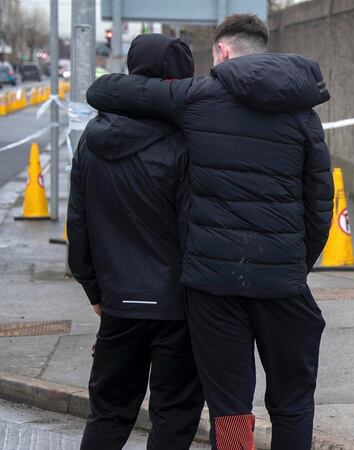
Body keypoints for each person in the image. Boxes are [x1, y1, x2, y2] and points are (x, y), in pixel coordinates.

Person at [87, 14, 333, 450]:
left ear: (220, 51)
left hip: (214, 289)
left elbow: (102, 90)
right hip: (282, 283)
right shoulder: (302, 114)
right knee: (293, 402)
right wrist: (297, 263)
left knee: (231, 406)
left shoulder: (198, 96)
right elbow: (319, 204)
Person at [67, 34, 204, 450]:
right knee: (174, 416)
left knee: (108, 413)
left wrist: (93, 287)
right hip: (177, 308)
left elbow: (80, 223)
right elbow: (192, 229)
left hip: (116, 302)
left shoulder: (91, 139)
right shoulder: (186, 141)